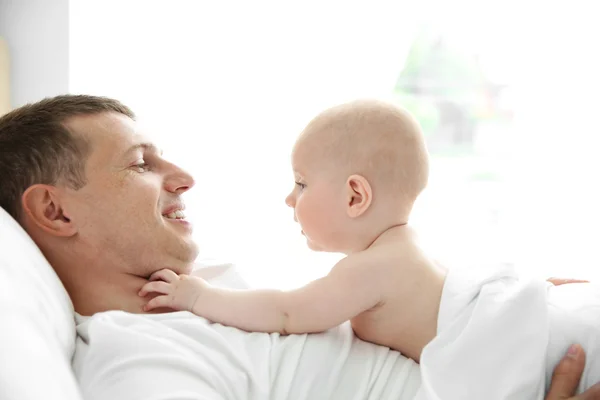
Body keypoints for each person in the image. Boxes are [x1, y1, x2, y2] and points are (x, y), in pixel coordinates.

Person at [0, 94, 597, 399]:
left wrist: (513, 310)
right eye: (140, 164)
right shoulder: (140, 360)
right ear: (55, 209)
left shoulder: (213, 283)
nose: (183, 175)